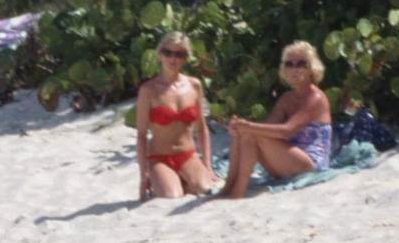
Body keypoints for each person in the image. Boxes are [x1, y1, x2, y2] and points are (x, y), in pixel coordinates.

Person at [219, 40, 332, 199]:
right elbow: (268, 127)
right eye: (289, 64)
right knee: (245, 134)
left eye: (301, 64)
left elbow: (287, 131)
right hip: (287, 160)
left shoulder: (316, 98)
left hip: (311, 165)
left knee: (251, 132)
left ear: (311, 68)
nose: (294, 69)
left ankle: (238, 190)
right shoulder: (287, 98)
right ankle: (229, 186)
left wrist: (247, 126)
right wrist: (238, 128)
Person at [136, 32, 216, 201]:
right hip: (159, 158)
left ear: (186, 58)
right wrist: (144, 176)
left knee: (206, 189)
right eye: (168, 53)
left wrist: (208, 166)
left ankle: (182, 180)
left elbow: (202, 128)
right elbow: (141, 135)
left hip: (188, 156)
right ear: (160, 54)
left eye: (179, 54)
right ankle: (168, 181)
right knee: (172, 197)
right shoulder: (148, 90)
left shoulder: (194, 85)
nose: (173, 59)